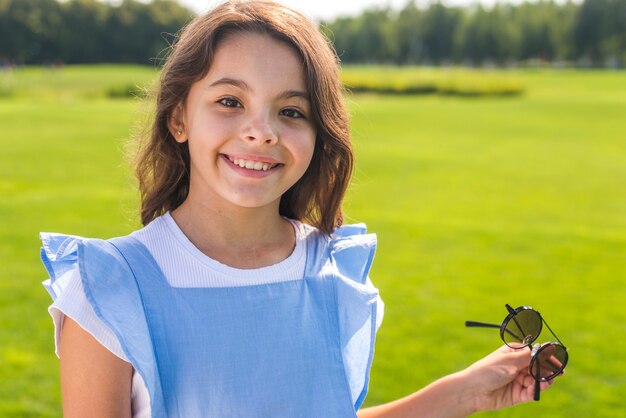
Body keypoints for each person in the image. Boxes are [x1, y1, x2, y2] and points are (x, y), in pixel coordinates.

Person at [39, 1, 556, 417]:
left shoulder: (334, 270)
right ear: (179, 119)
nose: (261, 130)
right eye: (229, 102)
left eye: (290, 111)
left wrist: (464, 392)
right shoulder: (108, 290)